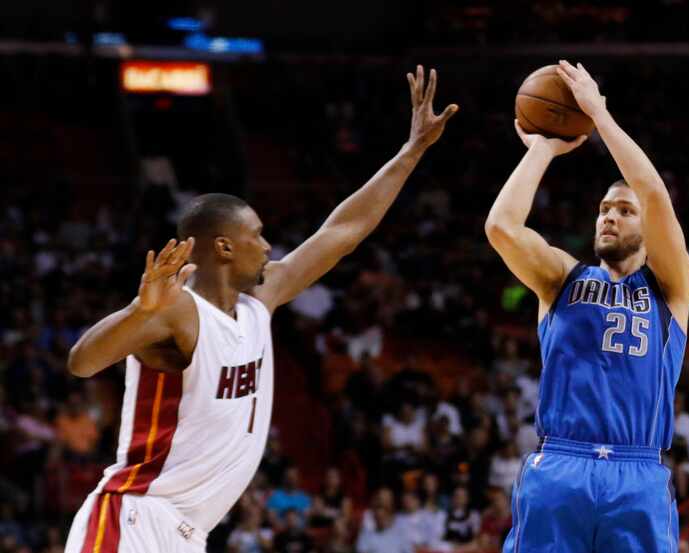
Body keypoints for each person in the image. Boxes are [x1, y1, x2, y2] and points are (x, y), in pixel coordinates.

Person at [63, 65, 458, 553]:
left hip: (187, 533)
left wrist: (411, 151)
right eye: (258, 235)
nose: (269, 246)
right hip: (134, 517)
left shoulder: (259, 301)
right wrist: (137, 312)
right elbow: (82, 362)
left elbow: (341, 232)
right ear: (225, 247)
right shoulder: (179, 313)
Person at [485, 60, 689, 553]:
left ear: (646, 229)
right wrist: (542, 149)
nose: (610, 216)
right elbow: (501, 228)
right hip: (561, 463)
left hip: (638, 468)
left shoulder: (672, 286)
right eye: (604, 208)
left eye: (624, 211)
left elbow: (653, 194)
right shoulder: (561, 277)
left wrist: (599, 116)